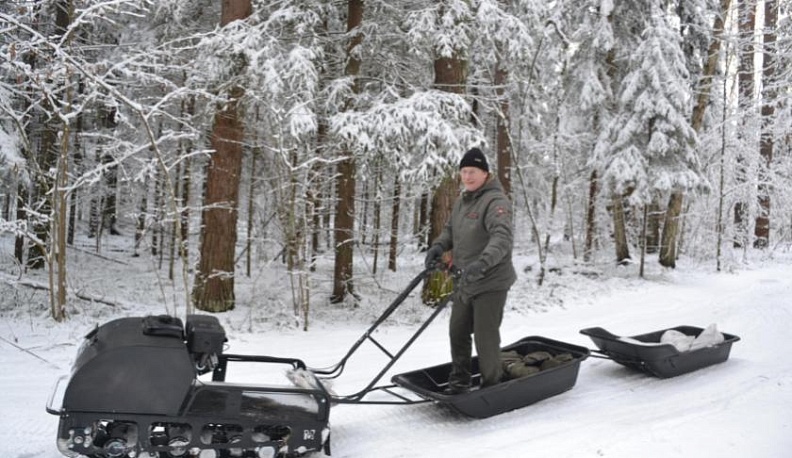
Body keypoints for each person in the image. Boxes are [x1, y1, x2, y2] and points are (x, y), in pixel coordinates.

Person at [424, 147, 517, 394]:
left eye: (472, 171)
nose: (467, 177)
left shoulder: (496, 202)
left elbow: (502, 237)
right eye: (464, 172)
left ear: (485, 173)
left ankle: (492, 387)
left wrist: (483, 262)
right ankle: (459, 381)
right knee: (458, 332)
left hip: (491, 280)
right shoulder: (462, 201)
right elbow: (450, 230)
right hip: (465, 280)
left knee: (485, 337)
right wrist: (438, 246)